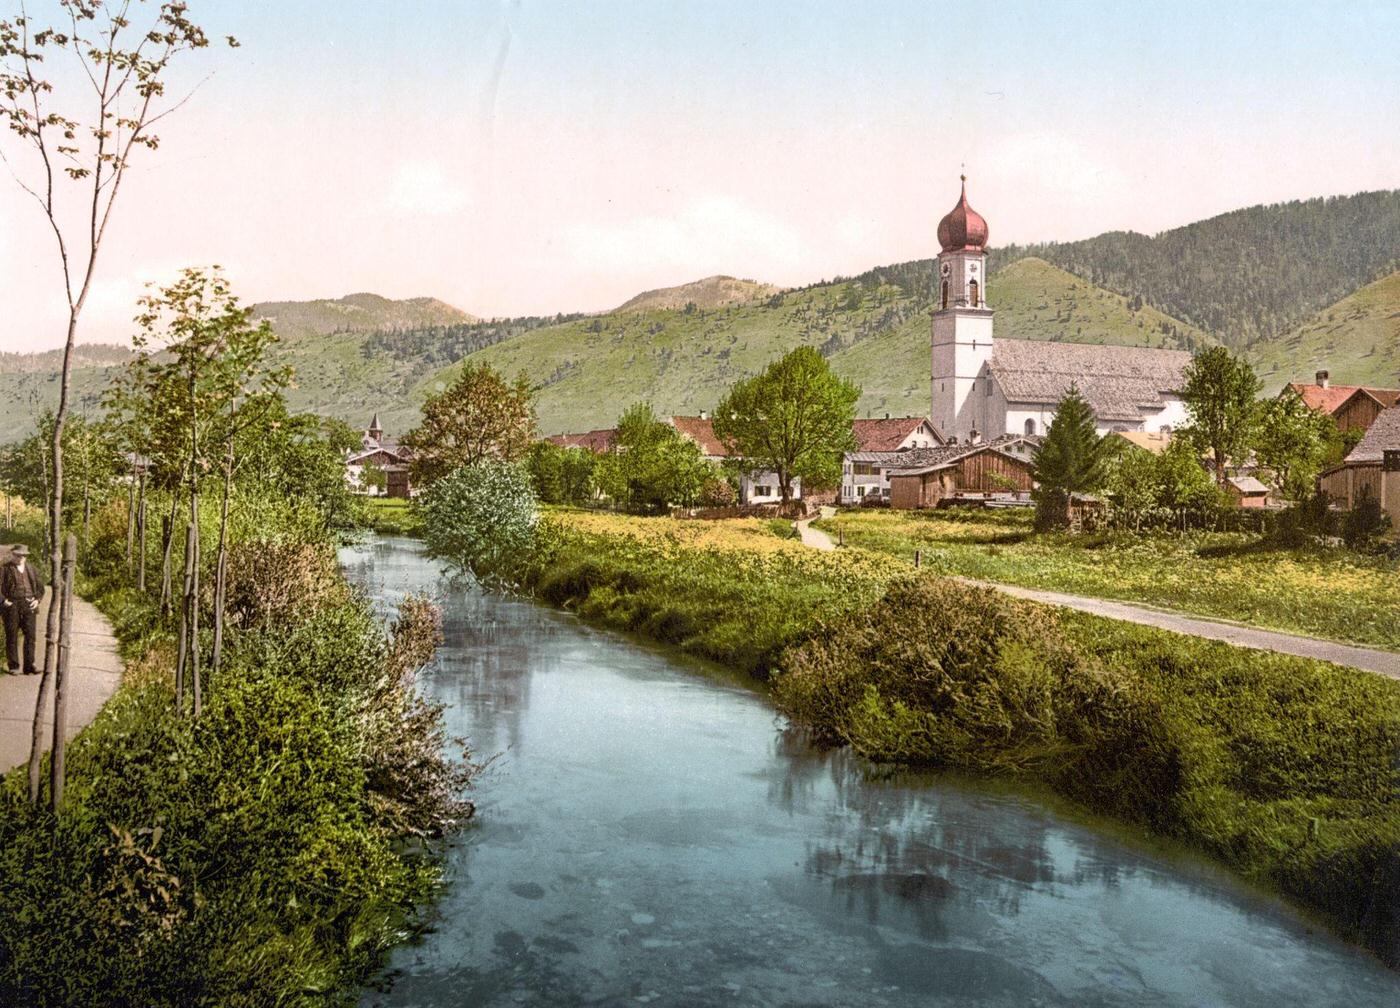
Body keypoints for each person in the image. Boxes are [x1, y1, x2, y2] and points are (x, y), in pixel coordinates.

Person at [2, 544, 45, 675]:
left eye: (23, 555)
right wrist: (4, 601)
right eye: (18, 555)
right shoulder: (4, 569)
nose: (20, 558)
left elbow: (40, 588)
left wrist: (37, 600)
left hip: (29, 605)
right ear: (13, 555)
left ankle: (29, 665)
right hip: (12, 605)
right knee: (12, 636)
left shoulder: (32, 569)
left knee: (30, 636)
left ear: (26, 557)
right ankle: (13, 666)